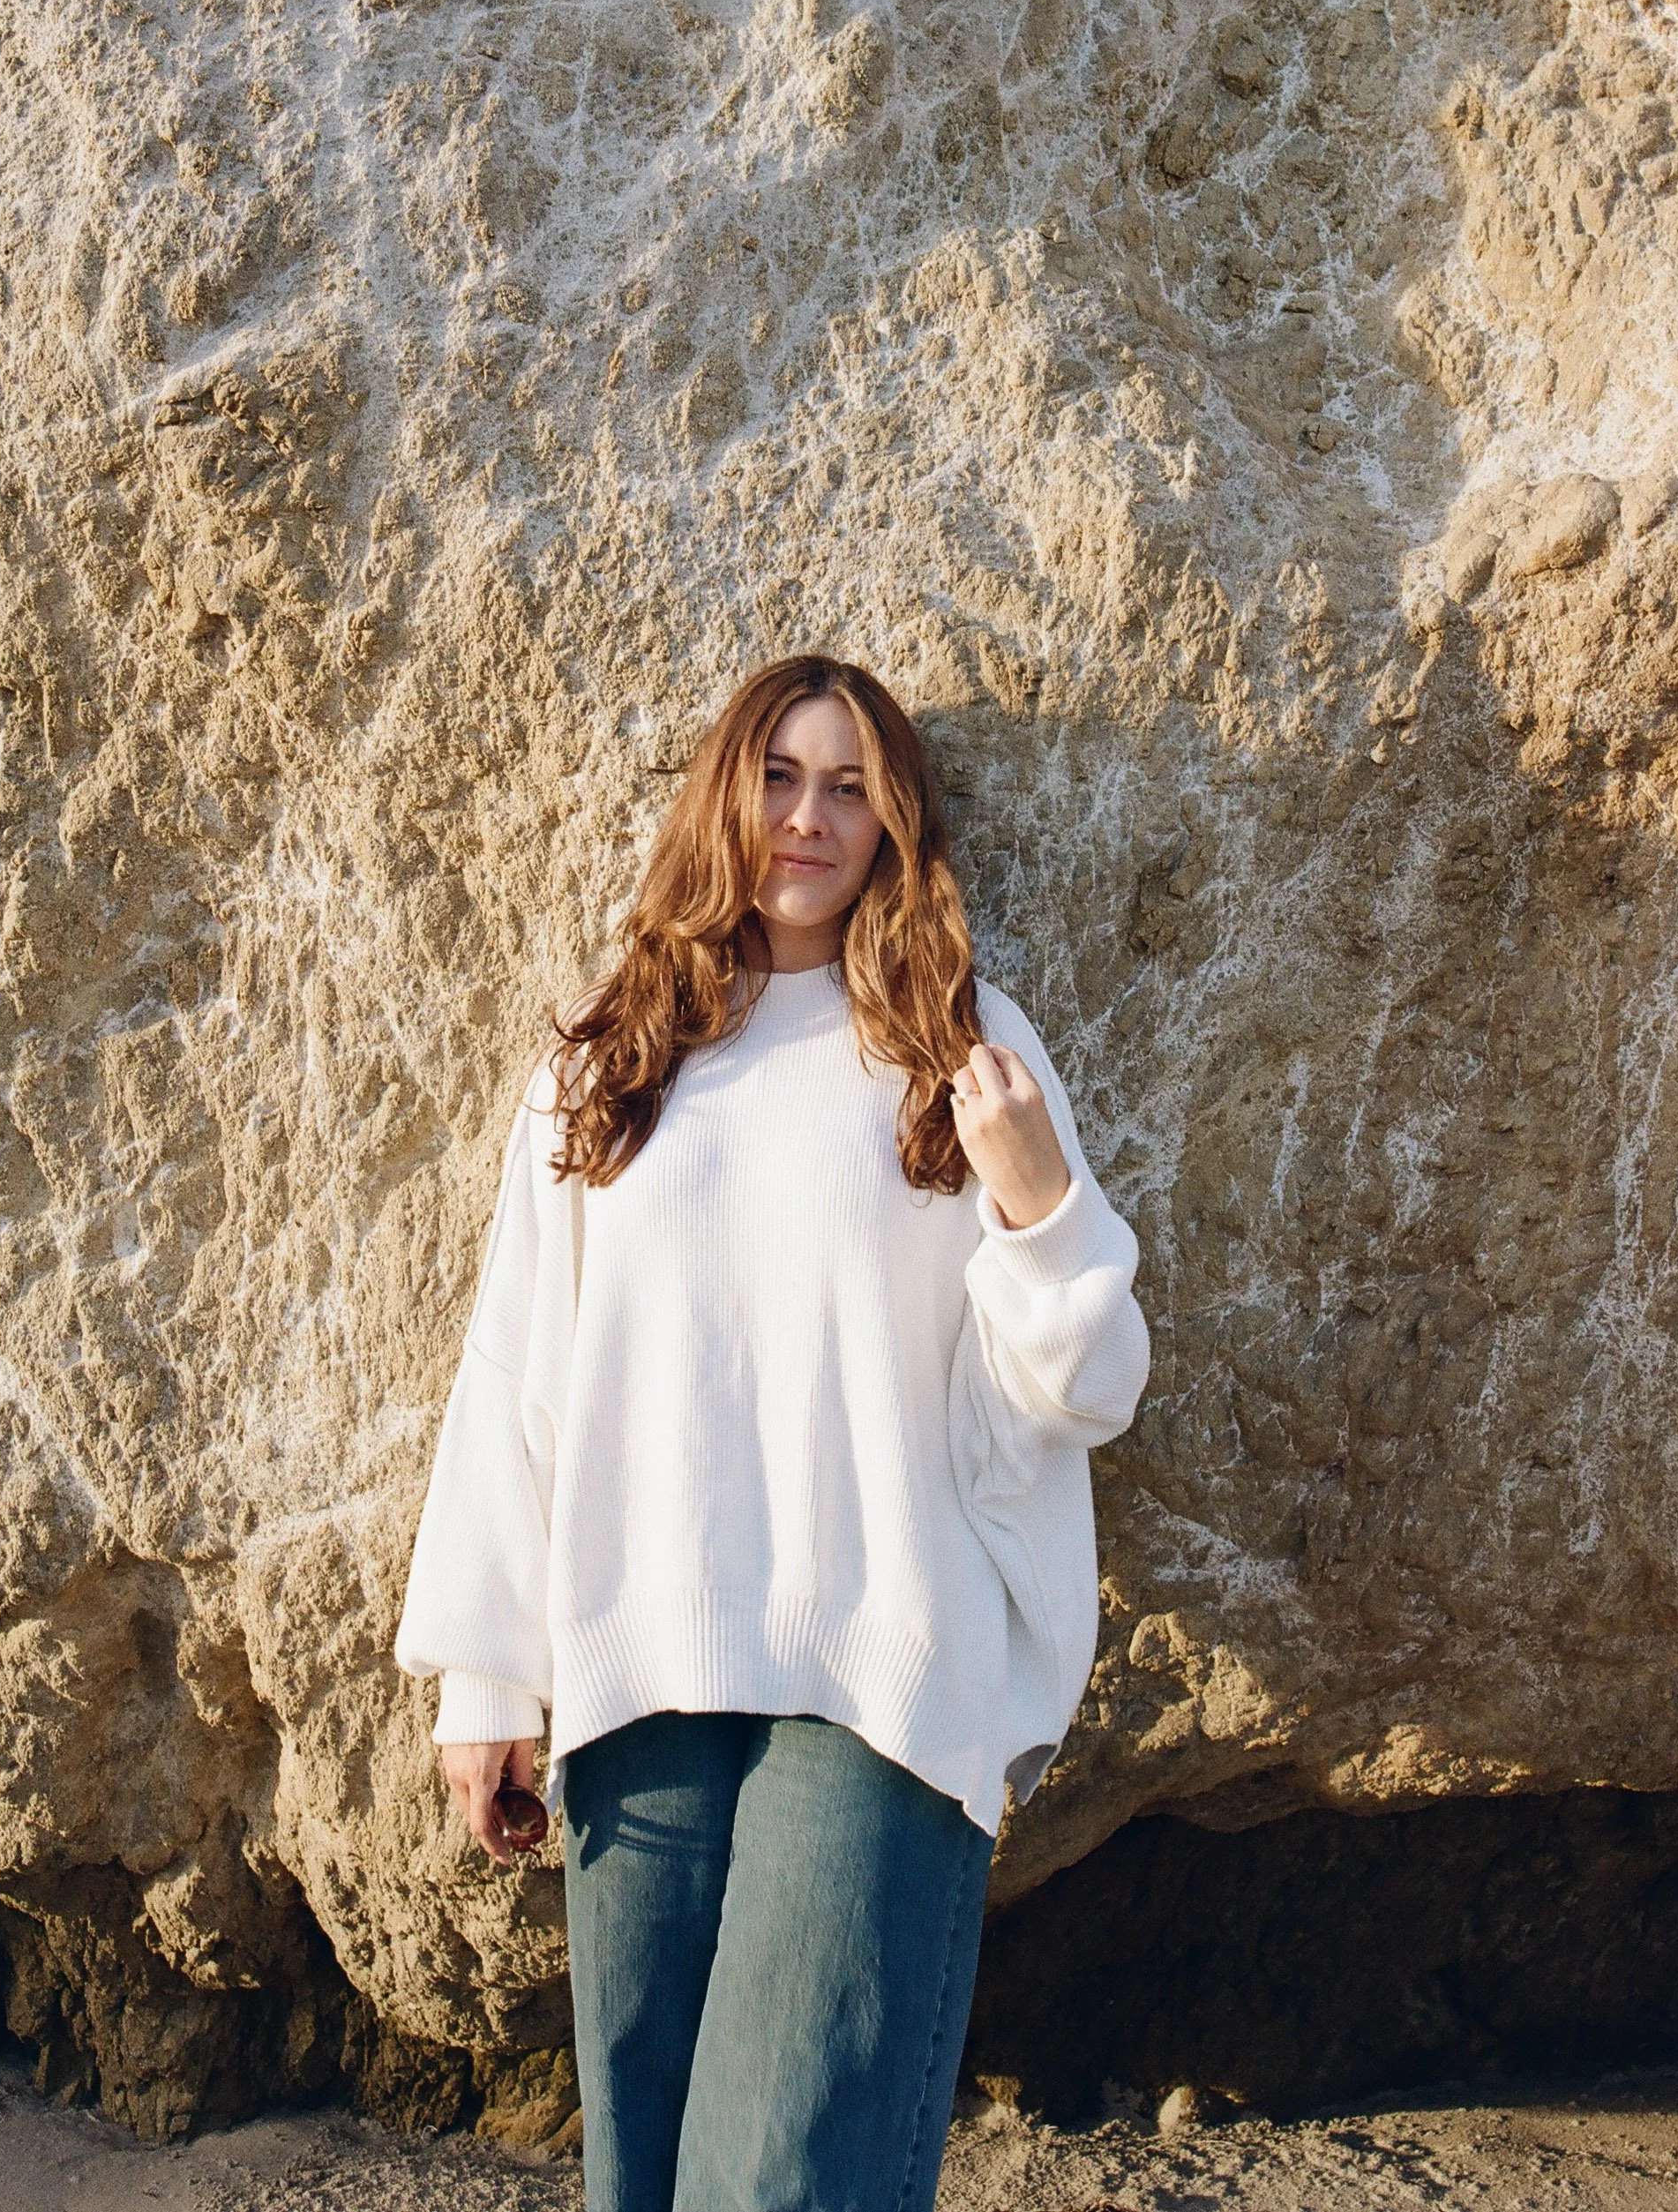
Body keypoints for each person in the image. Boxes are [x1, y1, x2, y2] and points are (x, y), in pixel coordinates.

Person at [395, 653, 1150, 2212]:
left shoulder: (962, 1043)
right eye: (782, 777)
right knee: (646, 2182)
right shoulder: (611, 1055)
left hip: (874, 1681)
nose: (810, 819)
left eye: (853, 788)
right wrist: (487, 1674)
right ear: (726, 792)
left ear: (897, 827)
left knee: (782, 2180)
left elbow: (1091, 1387)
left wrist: (1037, 1197)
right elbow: (517, 1367)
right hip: (641, 1676)